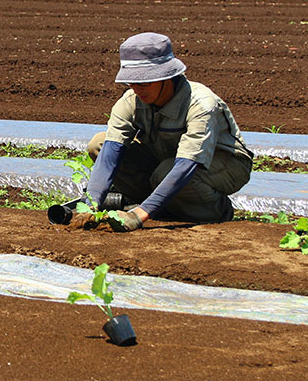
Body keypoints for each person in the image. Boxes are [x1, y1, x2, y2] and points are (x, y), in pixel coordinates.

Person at [83, 32, 253, 231]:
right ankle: (162, 203)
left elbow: (186, 165)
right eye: (132, 82)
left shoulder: (201, 104)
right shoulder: (131, 100)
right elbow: (110, 153)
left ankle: (215, 209)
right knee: (99, 144)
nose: (138, 90)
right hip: (167, 159)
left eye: (145, 82)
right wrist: (89, 205)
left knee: (165, 172)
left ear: (167, 77)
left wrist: (139, 215)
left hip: (224, 162)